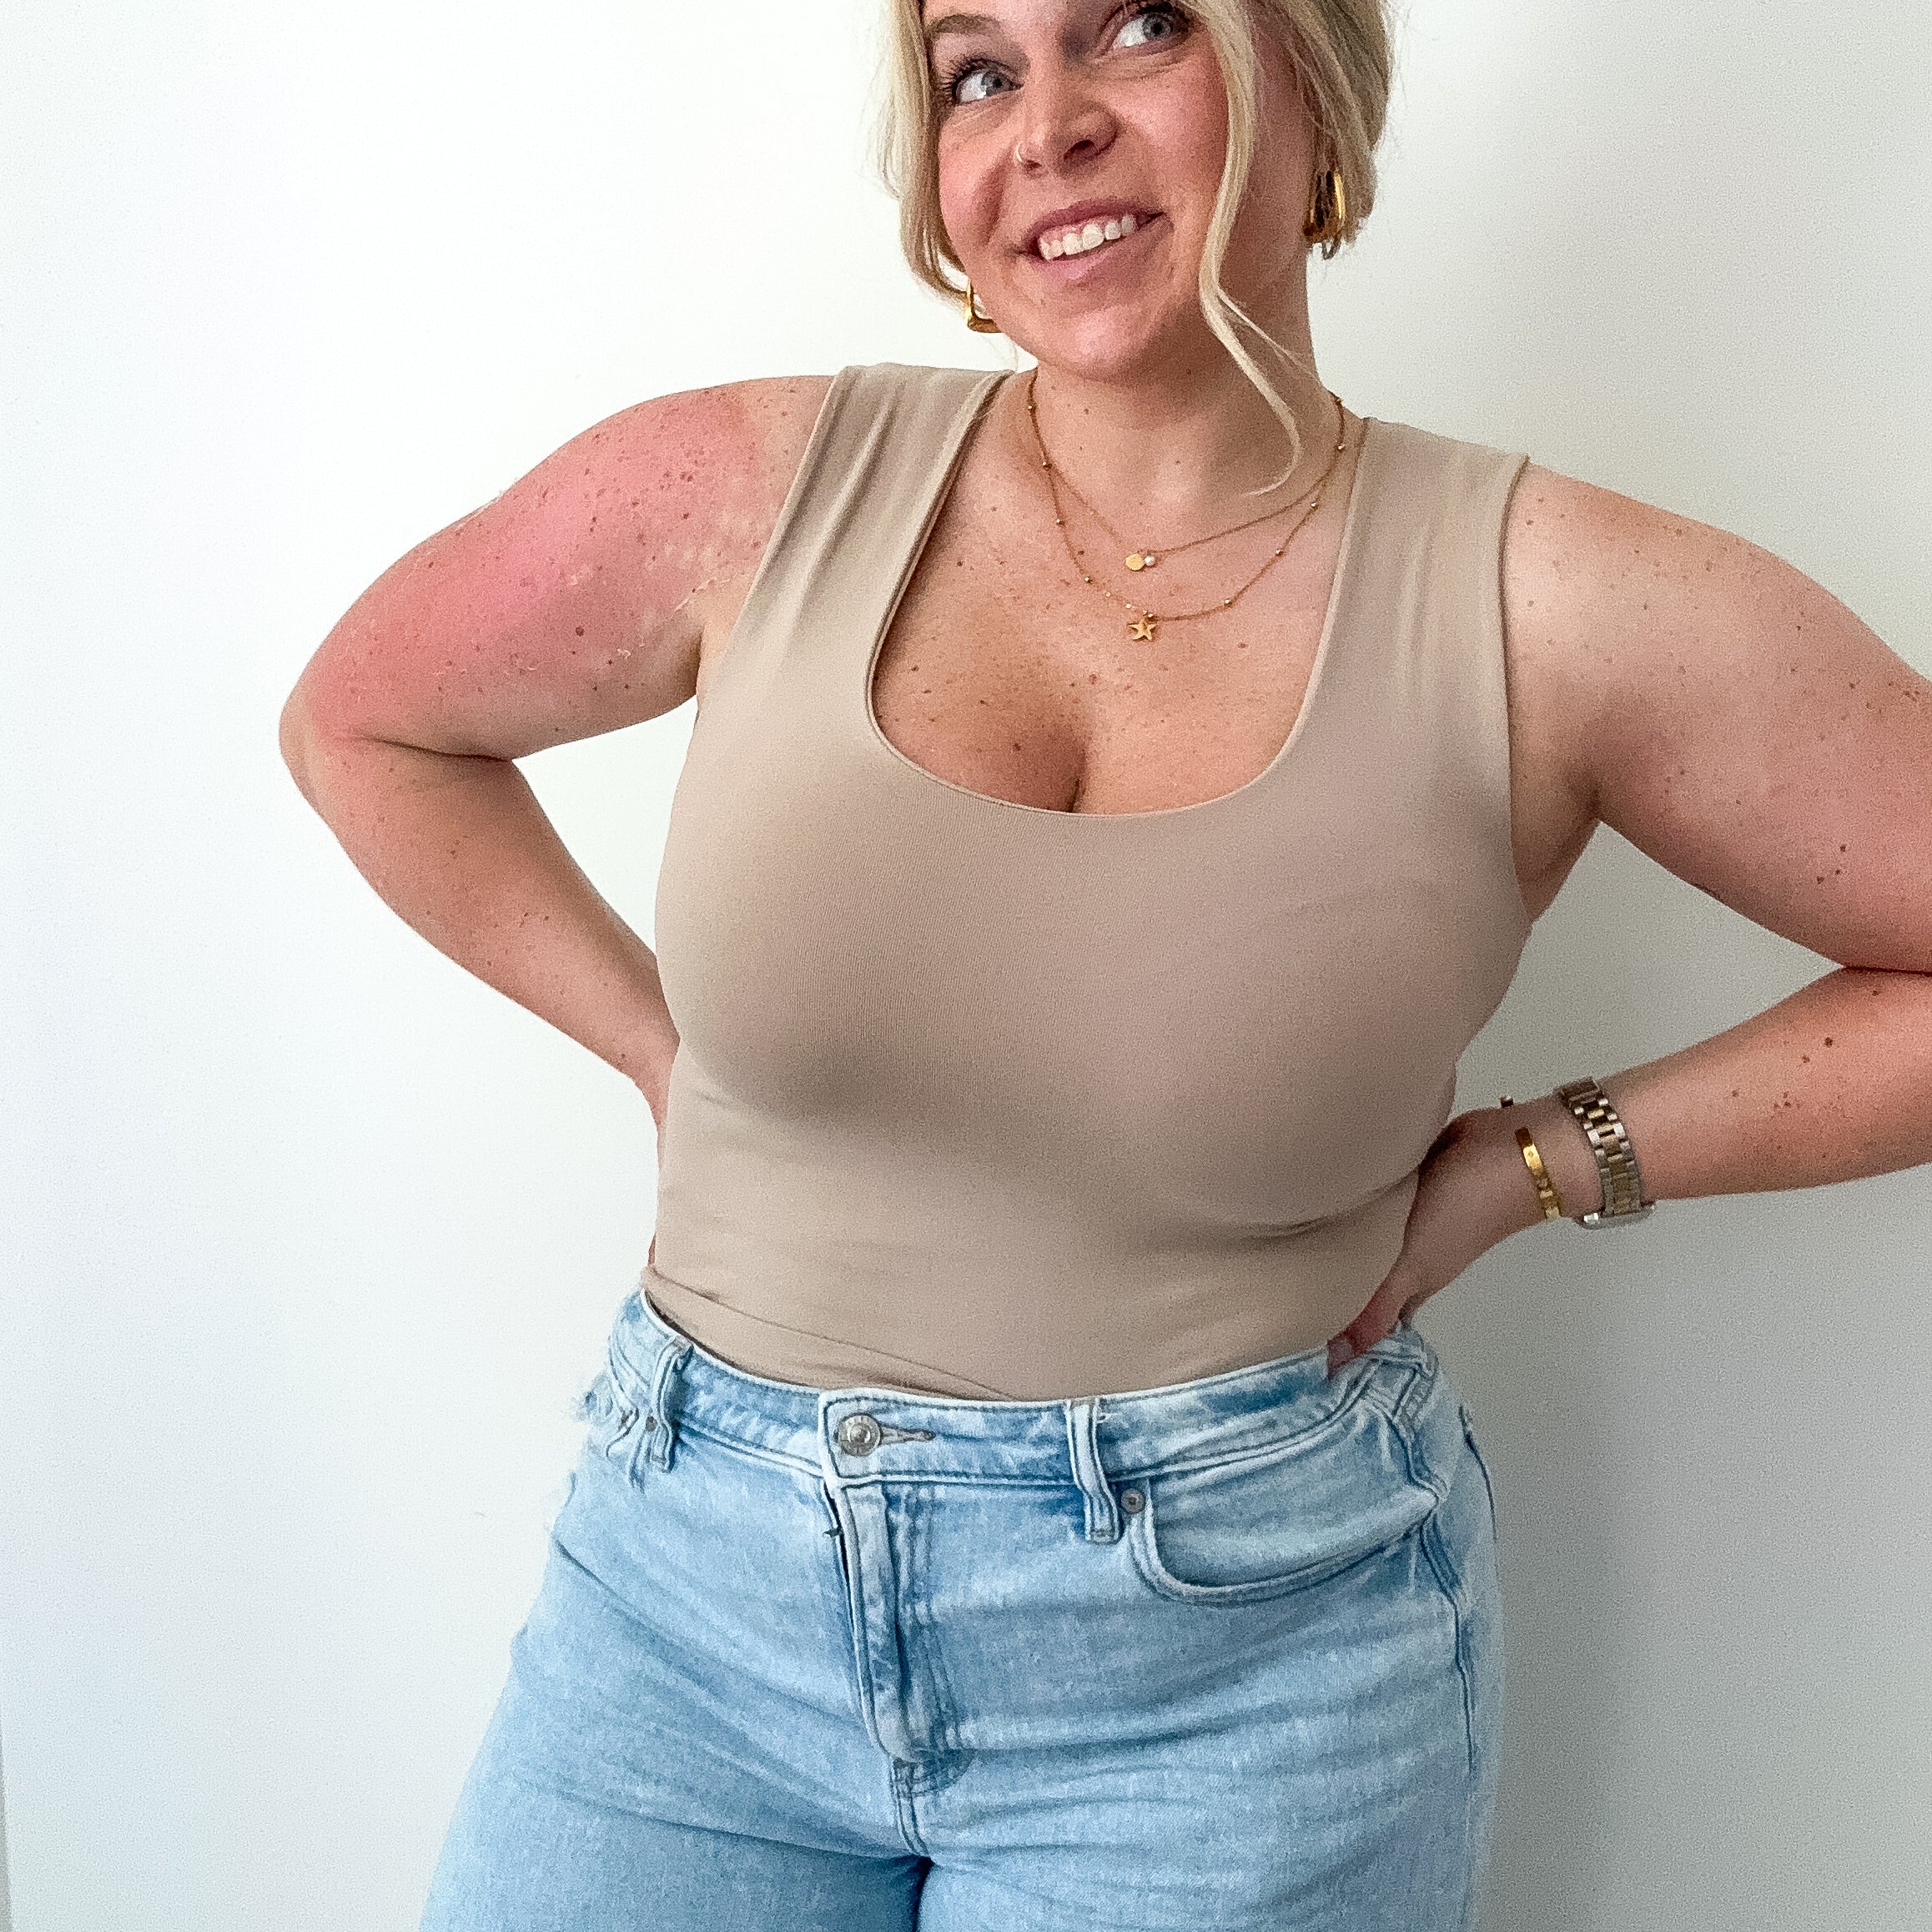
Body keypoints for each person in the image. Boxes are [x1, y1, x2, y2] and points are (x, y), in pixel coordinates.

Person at [278, 0, 1932, 1924]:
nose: (1046, 124)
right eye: (978, 68)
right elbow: (366, 724)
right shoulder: (740, 488)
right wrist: (658, 1051)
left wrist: (1544, 1160)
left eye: (1135, 27)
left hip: (1245, 1673)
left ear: (1311, 81)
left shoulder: (1554, 602)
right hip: (680, 1615)